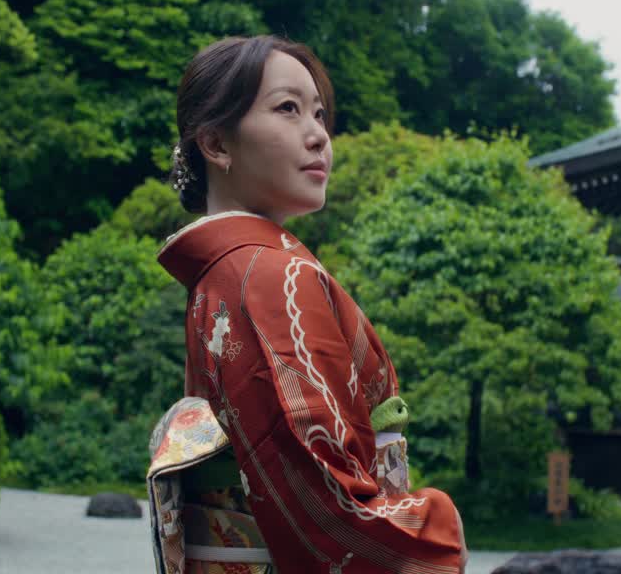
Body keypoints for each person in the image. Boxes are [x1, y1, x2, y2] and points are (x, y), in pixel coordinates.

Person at [147, 36, 468, 574]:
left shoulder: (224, 277)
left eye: (319, 114)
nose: (319, 135)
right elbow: (323, 503)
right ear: (217, 145)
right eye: (287, 109)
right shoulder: (271, 275)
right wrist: (435, 535)